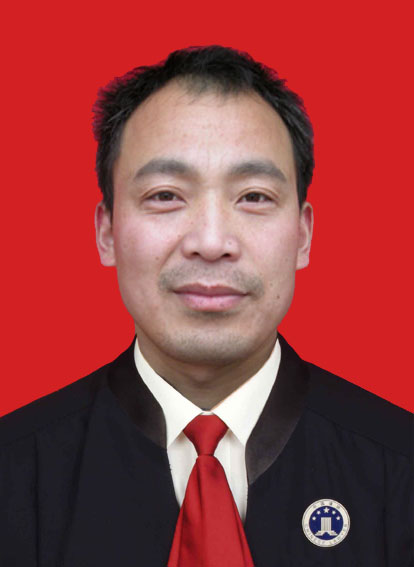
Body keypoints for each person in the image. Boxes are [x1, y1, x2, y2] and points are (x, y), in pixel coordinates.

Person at [0, 46, 412, 567]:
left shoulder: (399, 468)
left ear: (303, 235)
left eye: (254, 196)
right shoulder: (15, 474)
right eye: (166, 195)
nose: (212, 242)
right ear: (107, 232)